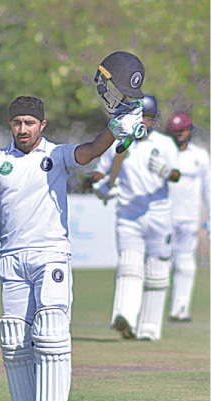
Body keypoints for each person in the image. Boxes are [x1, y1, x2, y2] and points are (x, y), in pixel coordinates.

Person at [0, 50, 146, 401]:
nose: (23, 128)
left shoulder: (57, 155)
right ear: (10, 125)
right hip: (11, 258)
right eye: (17, 122)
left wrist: (113, 129)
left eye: (29, 122)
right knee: (15, 341)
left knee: (50, 333)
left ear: (42, 124)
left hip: (50, 254)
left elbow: (90, 151)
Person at [89, 95, 181, 341]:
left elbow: (175, 175)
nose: (145, 123)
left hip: (159, 215)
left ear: (155, 121)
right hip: (128, 215)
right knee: (129, 266)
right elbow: (100, 172)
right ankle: (125, 317)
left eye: (149, 119)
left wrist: (163, 170)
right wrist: (100, 187)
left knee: (158, 272)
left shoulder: (165, 144)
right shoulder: (120, 143)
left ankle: (149, 328)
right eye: (141, 118)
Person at [166, 112, 210, 322]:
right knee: (161, 263)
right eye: (175, 131)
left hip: (188, 218)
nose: (179, 135)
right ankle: (153, 309)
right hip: (163, 217)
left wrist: (209, 217)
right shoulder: (163, 151)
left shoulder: (200, 156)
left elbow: (208, 189)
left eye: (182, 131)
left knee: (185, 263)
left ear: (189, 131)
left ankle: (180, 309)